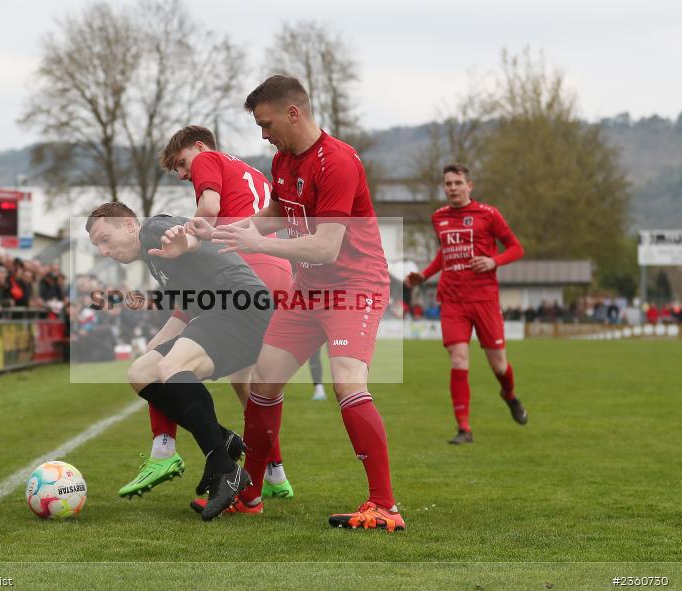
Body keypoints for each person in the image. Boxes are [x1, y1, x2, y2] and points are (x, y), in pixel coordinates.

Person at [207, 75, 403, 530]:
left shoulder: (337, 162)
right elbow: (274, 215)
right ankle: (250, 495)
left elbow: (325, 247)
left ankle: (385, 506)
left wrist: (259, 246)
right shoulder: (282, 160)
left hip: (355, 286)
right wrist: (225, 232)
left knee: (347, 381)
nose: (263, 133)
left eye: (266, 122)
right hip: (307, 290)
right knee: (264, 382)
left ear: (293, 113)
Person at [115, 125, 296, 501]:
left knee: (160, 355)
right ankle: (273, 474)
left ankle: (165, 451)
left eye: (182, 164)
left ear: (199, 147)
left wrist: (189, 237)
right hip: (276, 272)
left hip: (239, 270)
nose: (184, 174)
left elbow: (209, 212)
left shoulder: (209, 159)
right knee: (251, 389)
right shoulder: (253, 173)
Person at [87, 202, 271, 521]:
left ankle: (226, 469)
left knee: (173, 368)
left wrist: (183, 241)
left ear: (129, 224)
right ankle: (223, 439)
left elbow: (189, 238)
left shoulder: (153, 230)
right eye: (97, 246)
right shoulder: (154, 260)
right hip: (220, 313)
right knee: (142, 372)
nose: (104, 250)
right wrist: (156, 345)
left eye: (105, 238)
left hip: (242, 309)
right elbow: (186, 309)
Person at [405, 163, 528, 444]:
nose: (452, 188)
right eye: (448, 184)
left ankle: (509, 395)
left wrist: (493, 261)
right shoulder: (439, 217)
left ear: (469, 186)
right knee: (459, 360)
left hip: (484, 299)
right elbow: (444, 254)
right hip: (453, 300)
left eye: (458, 183)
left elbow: (516, 248)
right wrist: (424, 275)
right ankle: (464, 428)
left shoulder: (488, 215)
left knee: (499, 366)